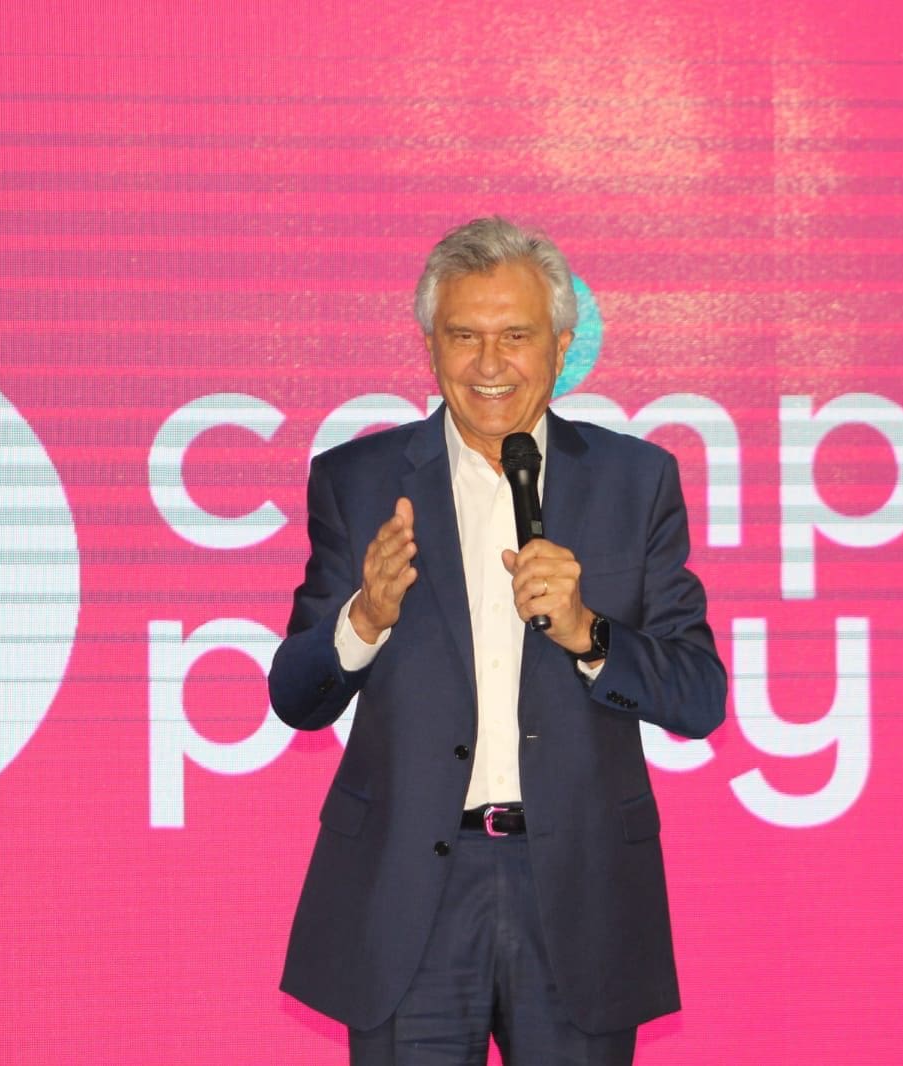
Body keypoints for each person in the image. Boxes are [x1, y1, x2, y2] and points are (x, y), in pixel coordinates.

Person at [268, 216, 727, 1065]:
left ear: (560, 346)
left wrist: (590, 634)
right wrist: (363, 619)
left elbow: (699, 696)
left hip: (579, 892)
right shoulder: (358, 481)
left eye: (515, 336)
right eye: (464, 336)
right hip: (410, 895)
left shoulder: (635, 481)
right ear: (429, 346)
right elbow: (295, 697)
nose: (489, 364)